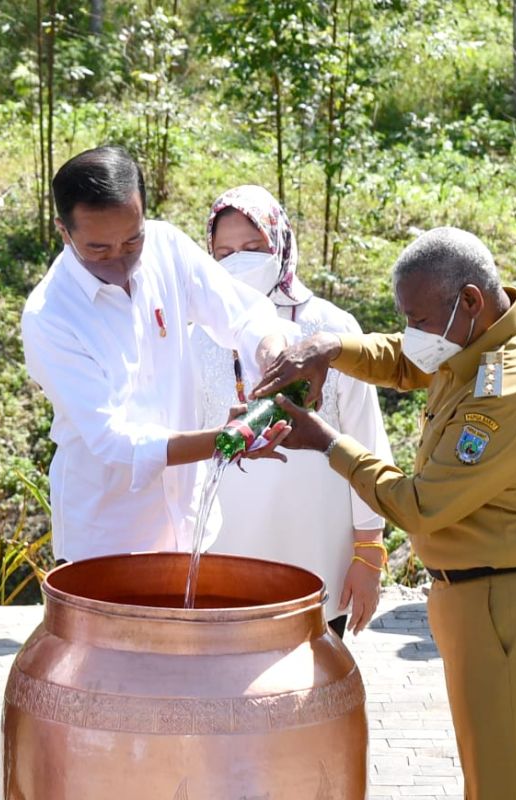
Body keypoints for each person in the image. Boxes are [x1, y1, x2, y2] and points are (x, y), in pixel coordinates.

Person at [258, 227, 516, 799]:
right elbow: (410, 363)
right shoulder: (503, 325)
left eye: (420, 320)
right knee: (492, 777)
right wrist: (332, 348)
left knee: (509, 787)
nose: (413, 335)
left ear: (469, 300)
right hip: (489, 595)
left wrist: (330, 444)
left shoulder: (509, 388)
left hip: (509, 607)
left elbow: (421, 505)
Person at [21, 146, 297, 563]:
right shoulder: (50, 315)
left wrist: (275, 358)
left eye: (133, 240)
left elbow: (242, 315)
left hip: (189, 523)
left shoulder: (166, 248)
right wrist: (223, 441)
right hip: (108, 537)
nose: (120, 259)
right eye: (98, 249)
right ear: (64, 231)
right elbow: (112, 441)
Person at [193, 185, 393, 636]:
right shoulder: (199, 337)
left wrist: (368, 552)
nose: (238, 261)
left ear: (279, 243)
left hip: (319, 553)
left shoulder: (332, 329)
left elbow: (367, 442)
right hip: (224, 557)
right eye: (224, 252)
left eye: (252, 247)